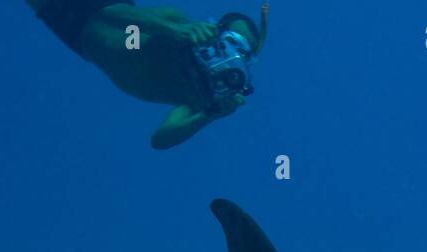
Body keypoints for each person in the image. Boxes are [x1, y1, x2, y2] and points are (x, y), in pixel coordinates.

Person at [25, 1, 268, 149]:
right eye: (229, 42)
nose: (231, 55)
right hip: (92, 12)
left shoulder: (201, 96)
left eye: (241, 51)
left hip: (72, 30)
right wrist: (174, 30)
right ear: (216, 33)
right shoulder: (178, 23)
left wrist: (210, 115)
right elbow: (109, 14)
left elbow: (161, 140)